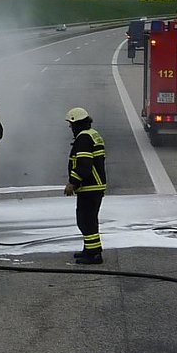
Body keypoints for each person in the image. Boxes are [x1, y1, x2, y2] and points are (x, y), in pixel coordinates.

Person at [64, 107, 107, 265]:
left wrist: (72, 183)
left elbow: (84, 165)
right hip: (95, 186)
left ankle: (94, 255)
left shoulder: (83, 139)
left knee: (85, 220)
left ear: (76, 124)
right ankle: (90, 249)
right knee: (89, 219)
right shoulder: (93, 134)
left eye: (71, 124)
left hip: (90, 187)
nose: (70, 128)